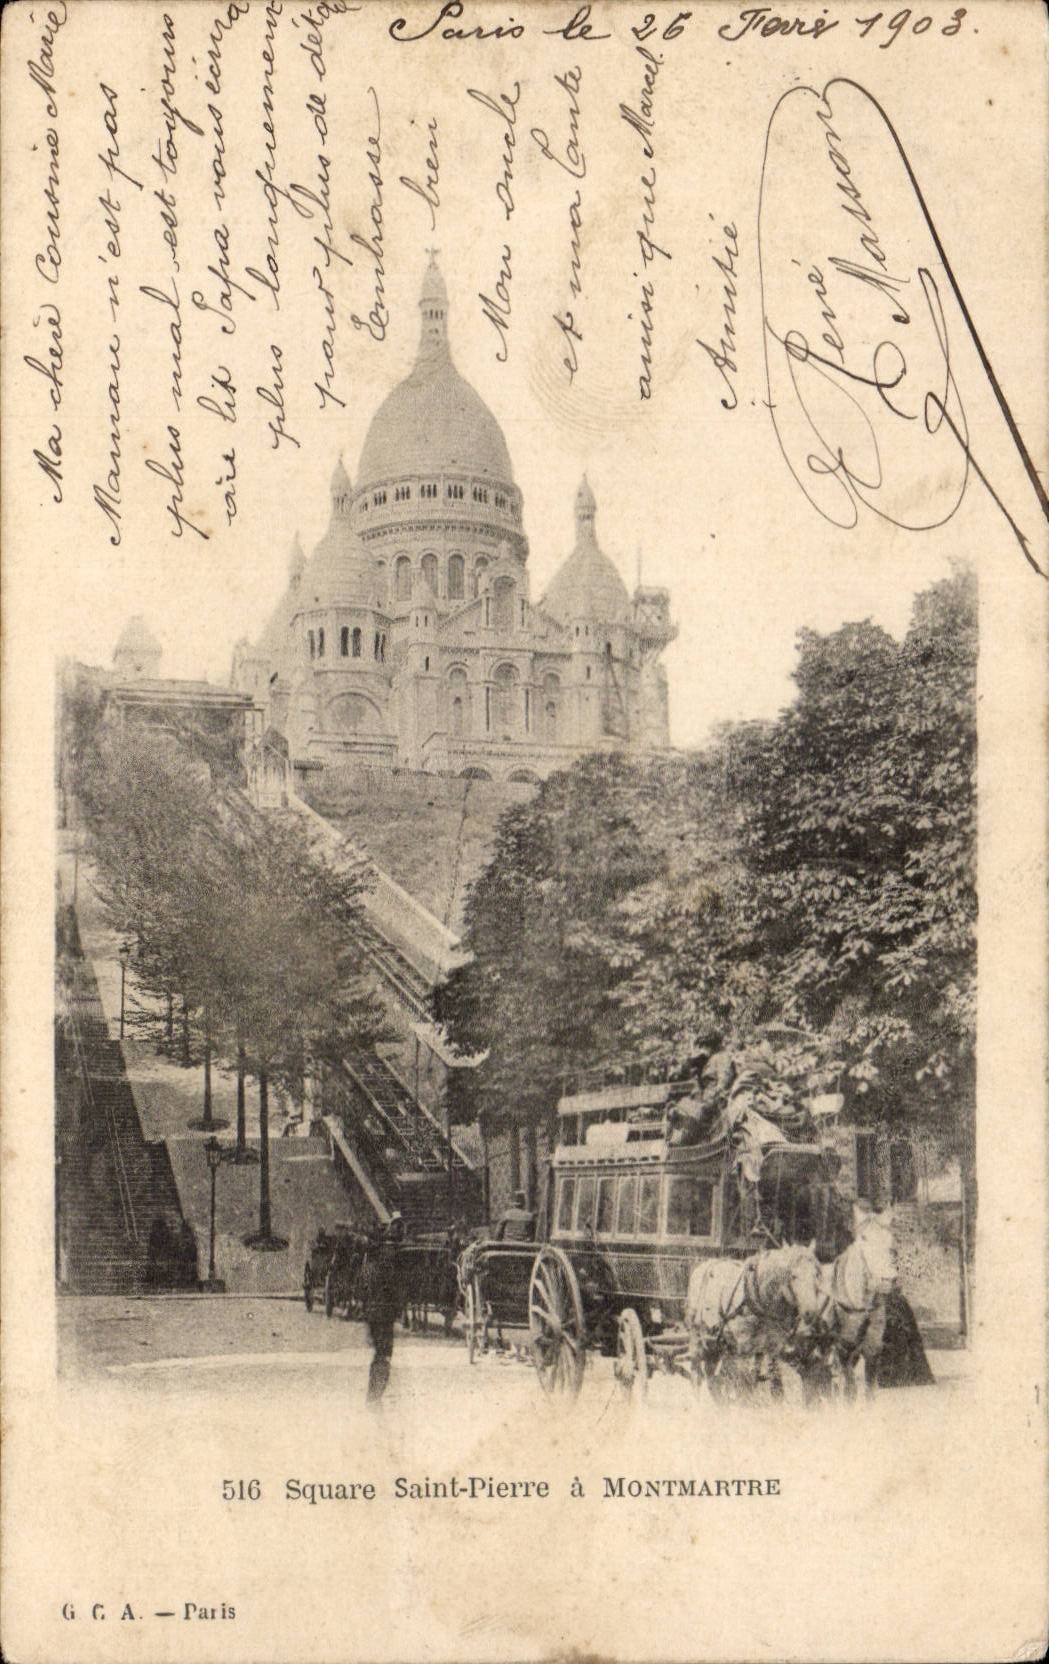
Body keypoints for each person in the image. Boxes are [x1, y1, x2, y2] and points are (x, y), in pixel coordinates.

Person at [359, 1213, 407, 1403]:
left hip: (373, 1312)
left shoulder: (371, 1262)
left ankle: (374, 1393)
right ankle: (374, 1396)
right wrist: (399, 1309)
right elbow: (397, 1288)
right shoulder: (392, 1261)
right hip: (384, 1312)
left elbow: (363, 1288)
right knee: (384, 1354)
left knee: (380, 1352)